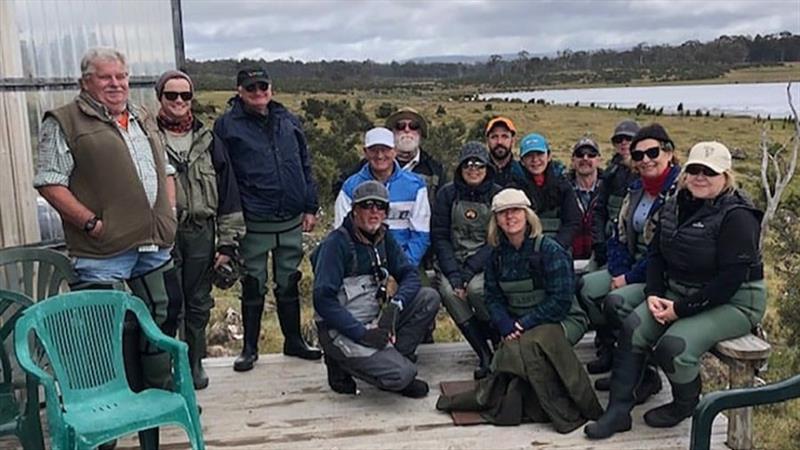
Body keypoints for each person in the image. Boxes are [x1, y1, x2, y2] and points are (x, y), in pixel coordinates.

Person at [34, 47, 180, 448]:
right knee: (103, 335)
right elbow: (50, 181)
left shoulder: (142, 116)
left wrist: (169, 209)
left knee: (159, 320)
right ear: (86, 82)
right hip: (103, 252)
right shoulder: (64, 121)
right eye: (106, 77)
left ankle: (154, 401)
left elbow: (165, 168)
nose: (116, 84)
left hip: (153, 245)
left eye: (122, 76)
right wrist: (90, 223)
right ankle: (104, 418)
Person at [584, 141, 765, 439]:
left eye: (710, 171)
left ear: (726, 175)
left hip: (734, 301)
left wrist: (679, 310)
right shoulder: (674, 205)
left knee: (674, 347)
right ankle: (618, 411)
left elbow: (729, 281)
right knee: (634, 326)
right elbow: (655, 254)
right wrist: (654, 293)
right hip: (679, 289)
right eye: (694, 169)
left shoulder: (737, 216)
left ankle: (684, 403)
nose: (700, 177)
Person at [436, 189, 601, 432]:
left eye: (515, 211)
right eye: (503, 213)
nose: (509, 217)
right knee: (512, 352)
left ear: (527, 215)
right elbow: (492, 296)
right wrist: (504, 323)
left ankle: (572, 408)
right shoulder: (495, 256)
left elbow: (561, 301)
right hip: (517, 324)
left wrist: (522, 325)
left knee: (528, 346)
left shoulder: (550, 249)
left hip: (562, 319)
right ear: (496, 220)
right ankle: (531, 402)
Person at [214, 66, 321, 372]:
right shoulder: (227, 126)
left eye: (264, 86)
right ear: (239, 91)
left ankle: (293, 341)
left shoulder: (287, 119)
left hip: (290, 219)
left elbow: (304, 163)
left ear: (271, 88)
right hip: (254, 221)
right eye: (251, 88)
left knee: (288, 281)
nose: (259, 92)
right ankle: (249, 348)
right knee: (253, 283)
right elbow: (223, 174)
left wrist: (310, 206)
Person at [154, 70, 246, 389]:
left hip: (201, 234)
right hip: (162, 234)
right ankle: (167, 369)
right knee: (167, 304)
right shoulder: (147, 139)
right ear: (160, 98)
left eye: (185, 95)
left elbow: (228, 194)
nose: (179, 101)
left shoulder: (209, 141)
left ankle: (194, 365)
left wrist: (228, 244)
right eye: (171, 95)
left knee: (198, 303)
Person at [577, 123, 680, 395]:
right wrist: (618, 272)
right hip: (631, 266)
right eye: (638, 155)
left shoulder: (678, 192)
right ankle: (616, 356)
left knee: (615, 302)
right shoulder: (637, 189)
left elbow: (665, 251)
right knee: (586, 288)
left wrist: (628, 278)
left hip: (660, 274)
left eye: (653, 152)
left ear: (669, 153)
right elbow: (619, 235)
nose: (645, 160)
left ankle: (644, 372)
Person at [313, 180, 440, 398]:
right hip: (342, 328)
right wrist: (362, 334)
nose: (374, 211)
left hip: (375, 317)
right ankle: (340, 362)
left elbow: (410, 274)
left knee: (429, 298)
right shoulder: (337, 244)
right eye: (367, 205)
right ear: (354, 210)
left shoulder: (383, 236)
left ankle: (394, 359)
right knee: (402, 375)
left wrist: (394, 307)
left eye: (380, 206)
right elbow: (323, 301)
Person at [431, 142, 502, 379]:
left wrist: (470, 270)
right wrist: (453, 274)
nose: (474, 169)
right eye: (468, 164)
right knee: (450, 293)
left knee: (476, 290)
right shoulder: (446, 194)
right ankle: (483, 353)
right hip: (453, 261)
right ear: (460, 167)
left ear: (487, 167)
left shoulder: (497, 195)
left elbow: (497, 240)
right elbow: (440, 237)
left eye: (479, 164)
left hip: (486, 261)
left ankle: (499, 342)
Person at [335, 127, 431, 267]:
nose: (380, 156)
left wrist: (405, 268)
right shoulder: (350, 187)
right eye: (374, 150)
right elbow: (341, 233)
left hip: (404, 262)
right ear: (365, 152)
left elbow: (421, 234)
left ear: (394, 151)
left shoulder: (415, 186)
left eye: (385, 149)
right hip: (363, 265)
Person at [512, 132, 581, 249]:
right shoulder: (513, 189)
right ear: (522, 161)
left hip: (559, 248)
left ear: (548, 156)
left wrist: (556, 247)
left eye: (539, 154)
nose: (535, 160)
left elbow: (572, 222)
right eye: (529, 156)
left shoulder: (564, 186)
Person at [592, 120, 640, 266]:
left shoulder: (646, 174)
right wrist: (599, 242)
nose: (623, 143)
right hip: (609, 241)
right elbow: (599, 210)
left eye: (629, 139)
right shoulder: (611, 173)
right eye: (619, 139)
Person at [567, 137, 603, 262]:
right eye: (580, 154)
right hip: (569, 257)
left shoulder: (610, 188)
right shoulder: (561, 189)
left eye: (591, 154)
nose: (585, 158)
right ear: (572, 160)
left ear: (599, 160)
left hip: (601, 257)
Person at [484, 116, 523, 188]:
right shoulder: (478, 173)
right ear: (487, 141)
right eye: (494, 137)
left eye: (504, 136)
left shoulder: (522, 173)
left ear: (513, 140)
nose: (499, 142)